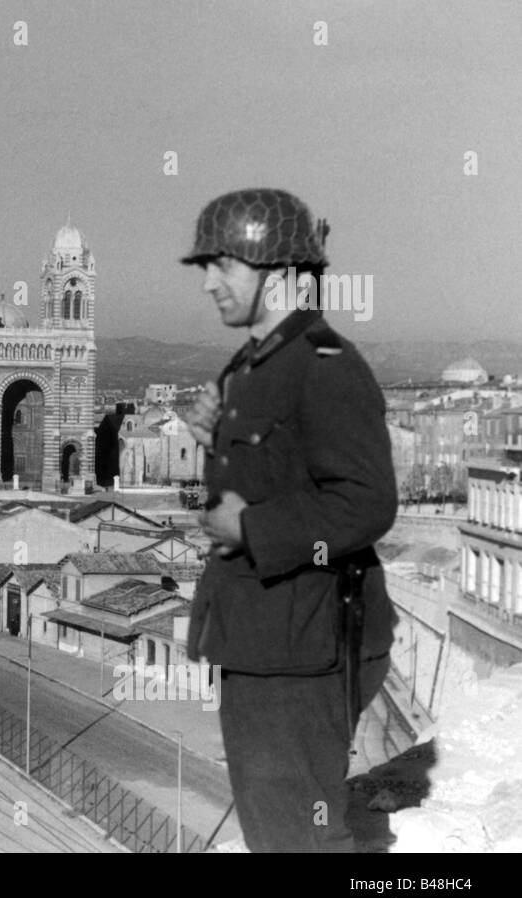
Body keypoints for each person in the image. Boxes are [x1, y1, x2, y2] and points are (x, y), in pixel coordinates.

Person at [180, 188, 397, 853]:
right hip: (261, 641)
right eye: (205, 268)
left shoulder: (323, 365)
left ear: (280, 274)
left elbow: (366, 501)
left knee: (297, 842)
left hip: (301, 652)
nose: (209, 282)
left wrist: (252, 530)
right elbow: (278, 476)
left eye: (225, 265)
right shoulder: (252, 366)